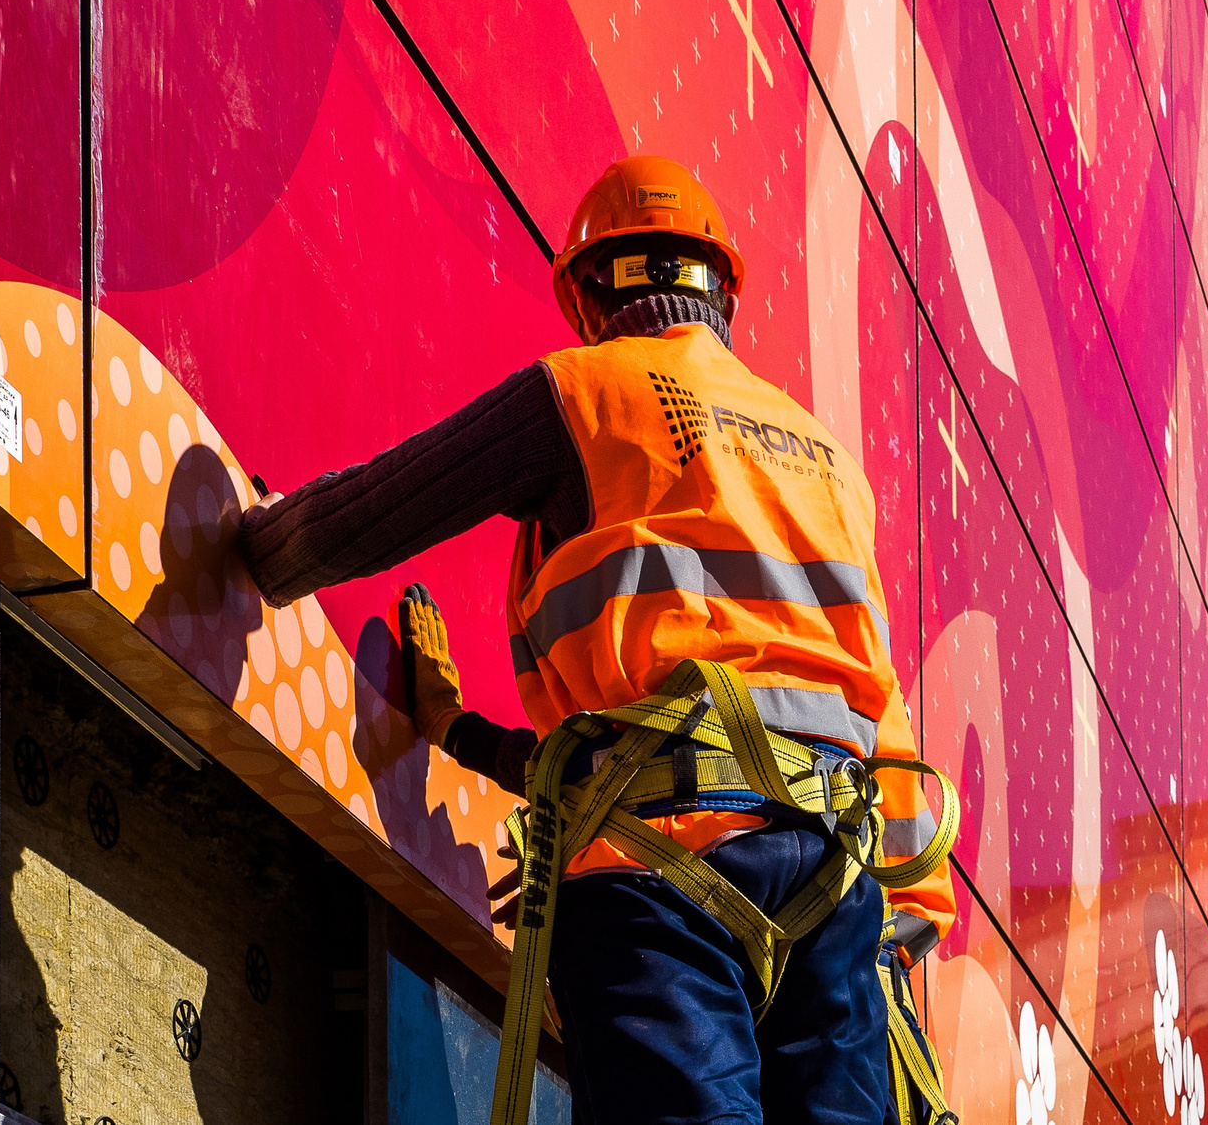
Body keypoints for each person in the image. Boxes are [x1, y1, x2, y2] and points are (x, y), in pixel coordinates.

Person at [239, 156, 955, 1125]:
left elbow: (377, 510)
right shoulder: (827, 461)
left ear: (588, 293)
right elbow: (866, 715)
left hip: (663, 869)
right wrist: (903, 932)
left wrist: (254, 541)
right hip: (831, 889)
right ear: (722, 290)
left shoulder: (587, 393)